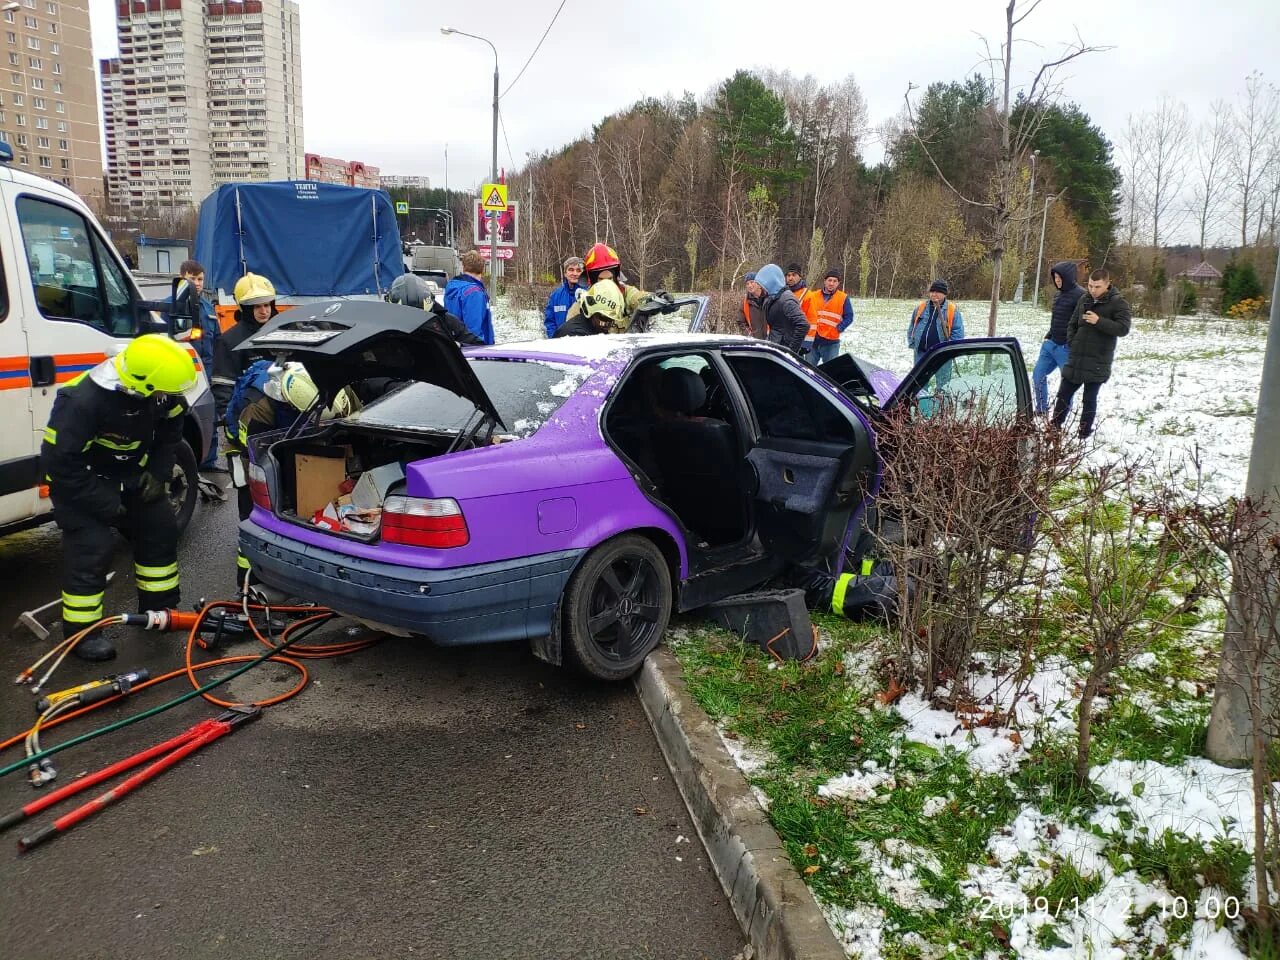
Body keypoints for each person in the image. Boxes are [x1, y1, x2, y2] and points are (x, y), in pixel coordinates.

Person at [40, 335, 197, 661]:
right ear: (141, 384)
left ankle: (159, 610)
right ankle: (82, 636)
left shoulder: (160, 391)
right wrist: (108, 505)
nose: (168, 397)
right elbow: (61, 464)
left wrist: (158, 471)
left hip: (135, 476)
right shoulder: (81, 401)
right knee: (92, 549)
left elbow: (172, 427)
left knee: (160, 530)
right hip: (83, 484)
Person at [1052, 269, 1130, 439]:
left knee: (1089, 399)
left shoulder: (1118, 303)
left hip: (1098, 360)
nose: (1093, 290)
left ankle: (1084, 433)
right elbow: (1072, 323)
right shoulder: (1084, 298)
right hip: (1077, 357)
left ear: (1107, 284)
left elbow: (1123, 329)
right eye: (1090, 285)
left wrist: (1099, 321)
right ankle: (1054, 428)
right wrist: (1073, 341)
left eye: (1097, 286)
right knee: (1063, 394)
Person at [172, 260, 222, 469]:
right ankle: (185, 463)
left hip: (207, 373)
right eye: (192, 279)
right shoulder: (172, 306)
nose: (197, 283)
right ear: (182, 278)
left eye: (200, 279)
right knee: (182, 421)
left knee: (210, 417)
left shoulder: (208, 308)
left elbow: (218, 341)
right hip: (182, 374)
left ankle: (208, 462)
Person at [211, 272, 279, 421]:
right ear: (246, 309)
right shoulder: (230, 341)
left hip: (282, 410)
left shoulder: (281, 333)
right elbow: (222, 384)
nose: (264, 311)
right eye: (257, 307)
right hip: (250, 413)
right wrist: (228, 417)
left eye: (267, 305)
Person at [561, 242, 651, 334]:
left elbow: (638, 297)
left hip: (626, 347)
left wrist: (653, 299)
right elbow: (570, 334)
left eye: (610, 279)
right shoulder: (582, 305)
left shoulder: (625, 293)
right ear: (592, 280)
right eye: (601, 279)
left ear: (616, 277)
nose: (606, 284)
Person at [1032, 261, 1085, 415]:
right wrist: (1049, 334)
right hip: (1051, 345)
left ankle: (1061, 417)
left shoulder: (1081, 295)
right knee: (1038, 375)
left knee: (1066, 386)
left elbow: (1082, 323)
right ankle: (1041, 409)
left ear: (1068, 276)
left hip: (1067, 349)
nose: (1057, 280)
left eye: (1060, 277)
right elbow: (1058, 318)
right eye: (1055, 277)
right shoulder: (1057, 295)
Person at [387, 272, 483, 345]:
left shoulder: (447, 323)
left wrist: (455, 348)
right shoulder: (381, 325)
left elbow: (477, 346)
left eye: (422, 317)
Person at [804, 268, 855, 364]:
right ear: (825, 281)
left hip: (831, 343)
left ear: (838, 283)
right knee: (808, 370)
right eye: (829, 280)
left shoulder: (843, 298)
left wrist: (839, 328)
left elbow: (849, 317)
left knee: (831, 372)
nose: (831, 283)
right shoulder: (813, 295)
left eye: (835, 281)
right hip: (813, 341)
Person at [906, 279, 965, 362]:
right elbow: (912, 326)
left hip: (941, 356)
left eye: (937, 292)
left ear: (944, 294)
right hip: (921, 353)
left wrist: (949, 350)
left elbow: (958, 333)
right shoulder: (921, 308)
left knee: (943, 375)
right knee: (921, 375)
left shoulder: (952, 310)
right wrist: (912, 342)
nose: (933, 294)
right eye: (932, 291)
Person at [444, 251, 495, 345]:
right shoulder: (474, 292)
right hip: (473, 349)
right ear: (482, 268)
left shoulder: (453, 286)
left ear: (463, 267)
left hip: (455, 344)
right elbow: (473, 329)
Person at [756, 264, 809, 354]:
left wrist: (791, 352)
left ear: (770, 283)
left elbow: (803, 325)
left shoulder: (786, 300)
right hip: (776, 346)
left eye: (761, 284)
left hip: (784, 350)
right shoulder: (773, 297)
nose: (759, 287)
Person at [553, 278, 625, 337]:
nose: (607, 324)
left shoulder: (594, 328)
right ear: (591, 311)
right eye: (604, 318)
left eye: (611, 319)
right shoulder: (576, 335)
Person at [543, 256, 586, 338]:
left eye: (578, 270)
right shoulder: (556, 295)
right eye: (571, 270)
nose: (575, 273)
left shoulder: (589, 293)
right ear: (565, 273)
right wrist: (554, 339)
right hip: (561, 345)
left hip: (582, 344)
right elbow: (550, 322)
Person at [740, 272, 768, 338]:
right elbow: (741, 322)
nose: (750, 285)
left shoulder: (769, 298)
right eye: (747, 284)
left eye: (752, 282)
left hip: (771, 341)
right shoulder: (745, 303)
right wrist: (748, 333)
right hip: (755, 342)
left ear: (759, 283)